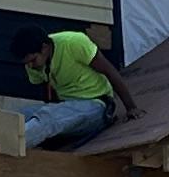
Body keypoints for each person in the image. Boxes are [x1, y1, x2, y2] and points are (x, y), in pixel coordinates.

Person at [11, 18, 125, 148]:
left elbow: (110, 71)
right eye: (27, 63)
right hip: (67, 106)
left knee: (47, 119)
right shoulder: (33, 64)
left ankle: (9, 147)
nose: (30, 66)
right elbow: (46, 90)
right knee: (20, 115)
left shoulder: (73, 43)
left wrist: (131, 108)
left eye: (33, 60)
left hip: (96, 105)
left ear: (44, 48)